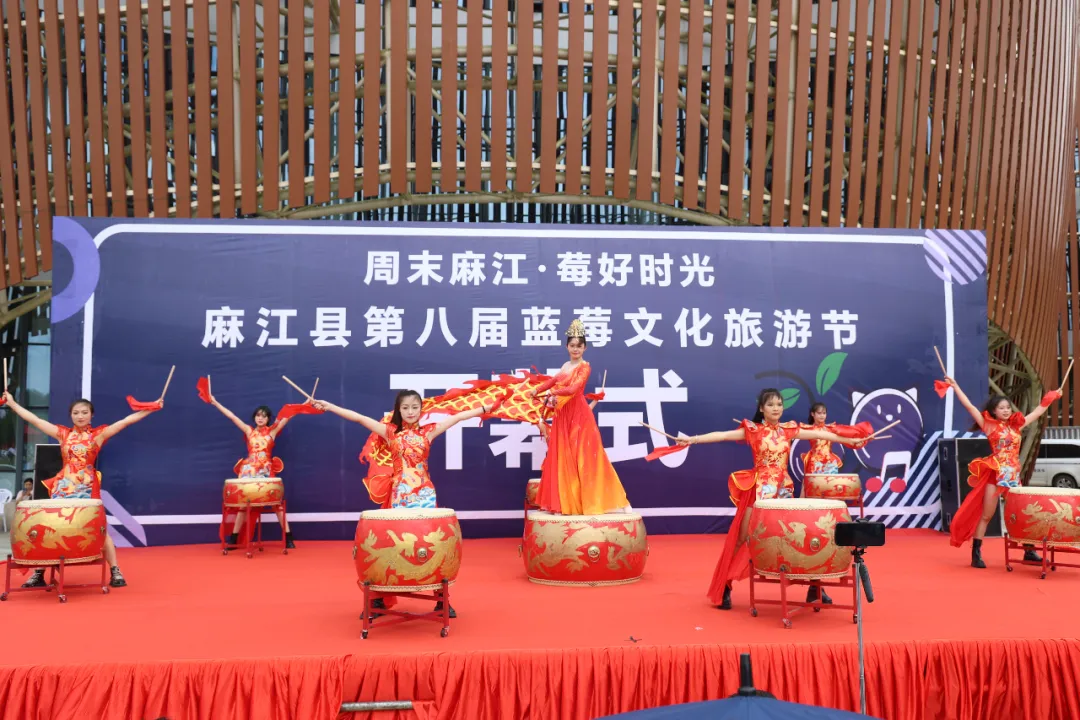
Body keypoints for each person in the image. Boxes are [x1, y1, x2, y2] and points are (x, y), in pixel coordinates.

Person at [679, 388, 869, 610]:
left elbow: (822, 434)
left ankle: (815, 588)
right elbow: (723, 435)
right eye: (770, 405)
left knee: (799, 537)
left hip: (783, 492)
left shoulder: (788, 430)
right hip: (759, 491)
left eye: (779, 404)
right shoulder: (753, 430)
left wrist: (851, 441)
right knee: (743, 538)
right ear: (761, 408)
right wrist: (692, 440)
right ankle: (725, 587)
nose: (776, 408)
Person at [314, 390, 494, 617]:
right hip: (400, 494)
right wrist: (329, 406)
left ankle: (441, 600)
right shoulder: (390, 432)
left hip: (426, 495)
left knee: (432, 543)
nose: (410, 412)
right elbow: (359, 418)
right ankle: (379, 599)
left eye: (415, 407)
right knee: (393, 543)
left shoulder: (428, 432)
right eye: (405, 408)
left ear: (421, 409)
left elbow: (457, 417)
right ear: (398, 410)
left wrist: (484, 409)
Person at [3, 392, 163, 588]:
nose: (80, 416)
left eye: (84, 412)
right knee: (50, 528)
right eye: (76, 413)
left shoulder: (98, 435)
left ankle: (115, 571)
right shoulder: (62, 434)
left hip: (86, 489)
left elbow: (125, 421)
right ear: (71, 415)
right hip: (62, 488)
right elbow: (34, 420)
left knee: (99, 529)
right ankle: (39, 572)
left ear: (91, 415)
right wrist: (12, 404)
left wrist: (151, 408)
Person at [945, 377, 1060, 568]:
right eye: (1001, 408)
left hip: (1013, 477)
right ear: (994, 411)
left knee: (1022, 514)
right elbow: (969, 406)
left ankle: (1029, 551)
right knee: (987, 516)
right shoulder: (989, 425)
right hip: (996, 475)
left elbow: (1037, 412)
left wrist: (1051, 398)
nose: (1006, 410)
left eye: (1008, 407)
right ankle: (976, 554)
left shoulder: (1017, 425)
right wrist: (955, 386)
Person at [524, 318, 630, 516]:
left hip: (579, 416)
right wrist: (537, 390)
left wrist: (553, 393)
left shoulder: (584, 367)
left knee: (588, 457)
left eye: (579, 346)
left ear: (584, 348)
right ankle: (565, 504)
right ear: (567, 347)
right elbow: (553, 381)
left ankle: (619, 501)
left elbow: (574, 389)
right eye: (572, 346)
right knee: (563, 458)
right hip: (562, 415)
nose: (575, 349)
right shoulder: (566, 365)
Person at [208, 391, 312, 550]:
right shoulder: (249, 431)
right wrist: (215, 402)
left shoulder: (272, 432)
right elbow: (232, 417)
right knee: (243, 506)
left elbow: (290, 415)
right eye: (258, 415)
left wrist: (305, 404)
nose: (260, 418)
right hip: (248, 472)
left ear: (268, 418)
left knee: (277, 505)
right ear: (254, 417)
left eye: (264, 416)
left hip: (266, 472)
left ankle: (289, 538)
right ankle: (234, 540)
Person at [800, 402, 843, 475]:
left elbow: (845, 436)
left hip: (830, 462)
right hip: (815, 463)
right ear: (812, 414)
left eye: (824, 413)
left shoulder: (830, 428)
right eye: (819, 413)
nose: (822, 415)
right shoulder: (808, 429)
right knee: (815, 482)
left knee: (830, 482)